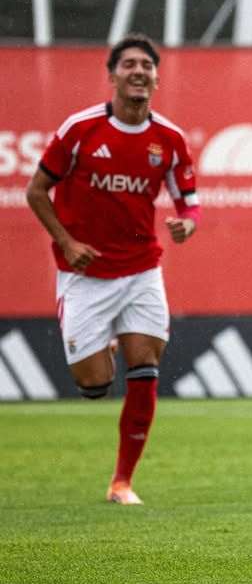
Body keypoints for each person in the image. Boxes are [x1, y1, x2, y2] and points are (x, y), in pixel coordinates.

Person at [25, 33, 200, 505]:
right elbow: (36, 191)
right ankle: (104, 345)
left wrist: (187, 225)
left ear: (156, 77)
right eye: (129, 64)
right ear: (113, 75)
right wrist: (65, 240)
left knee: (145, 364)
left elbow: (190, 206)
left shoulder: (170, 139)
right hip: (84, 273)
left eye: (147, 64)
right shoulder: (79, 130)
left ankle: (122, 482)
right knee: (95, 385)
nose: (139, 70)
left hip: (142, 270)